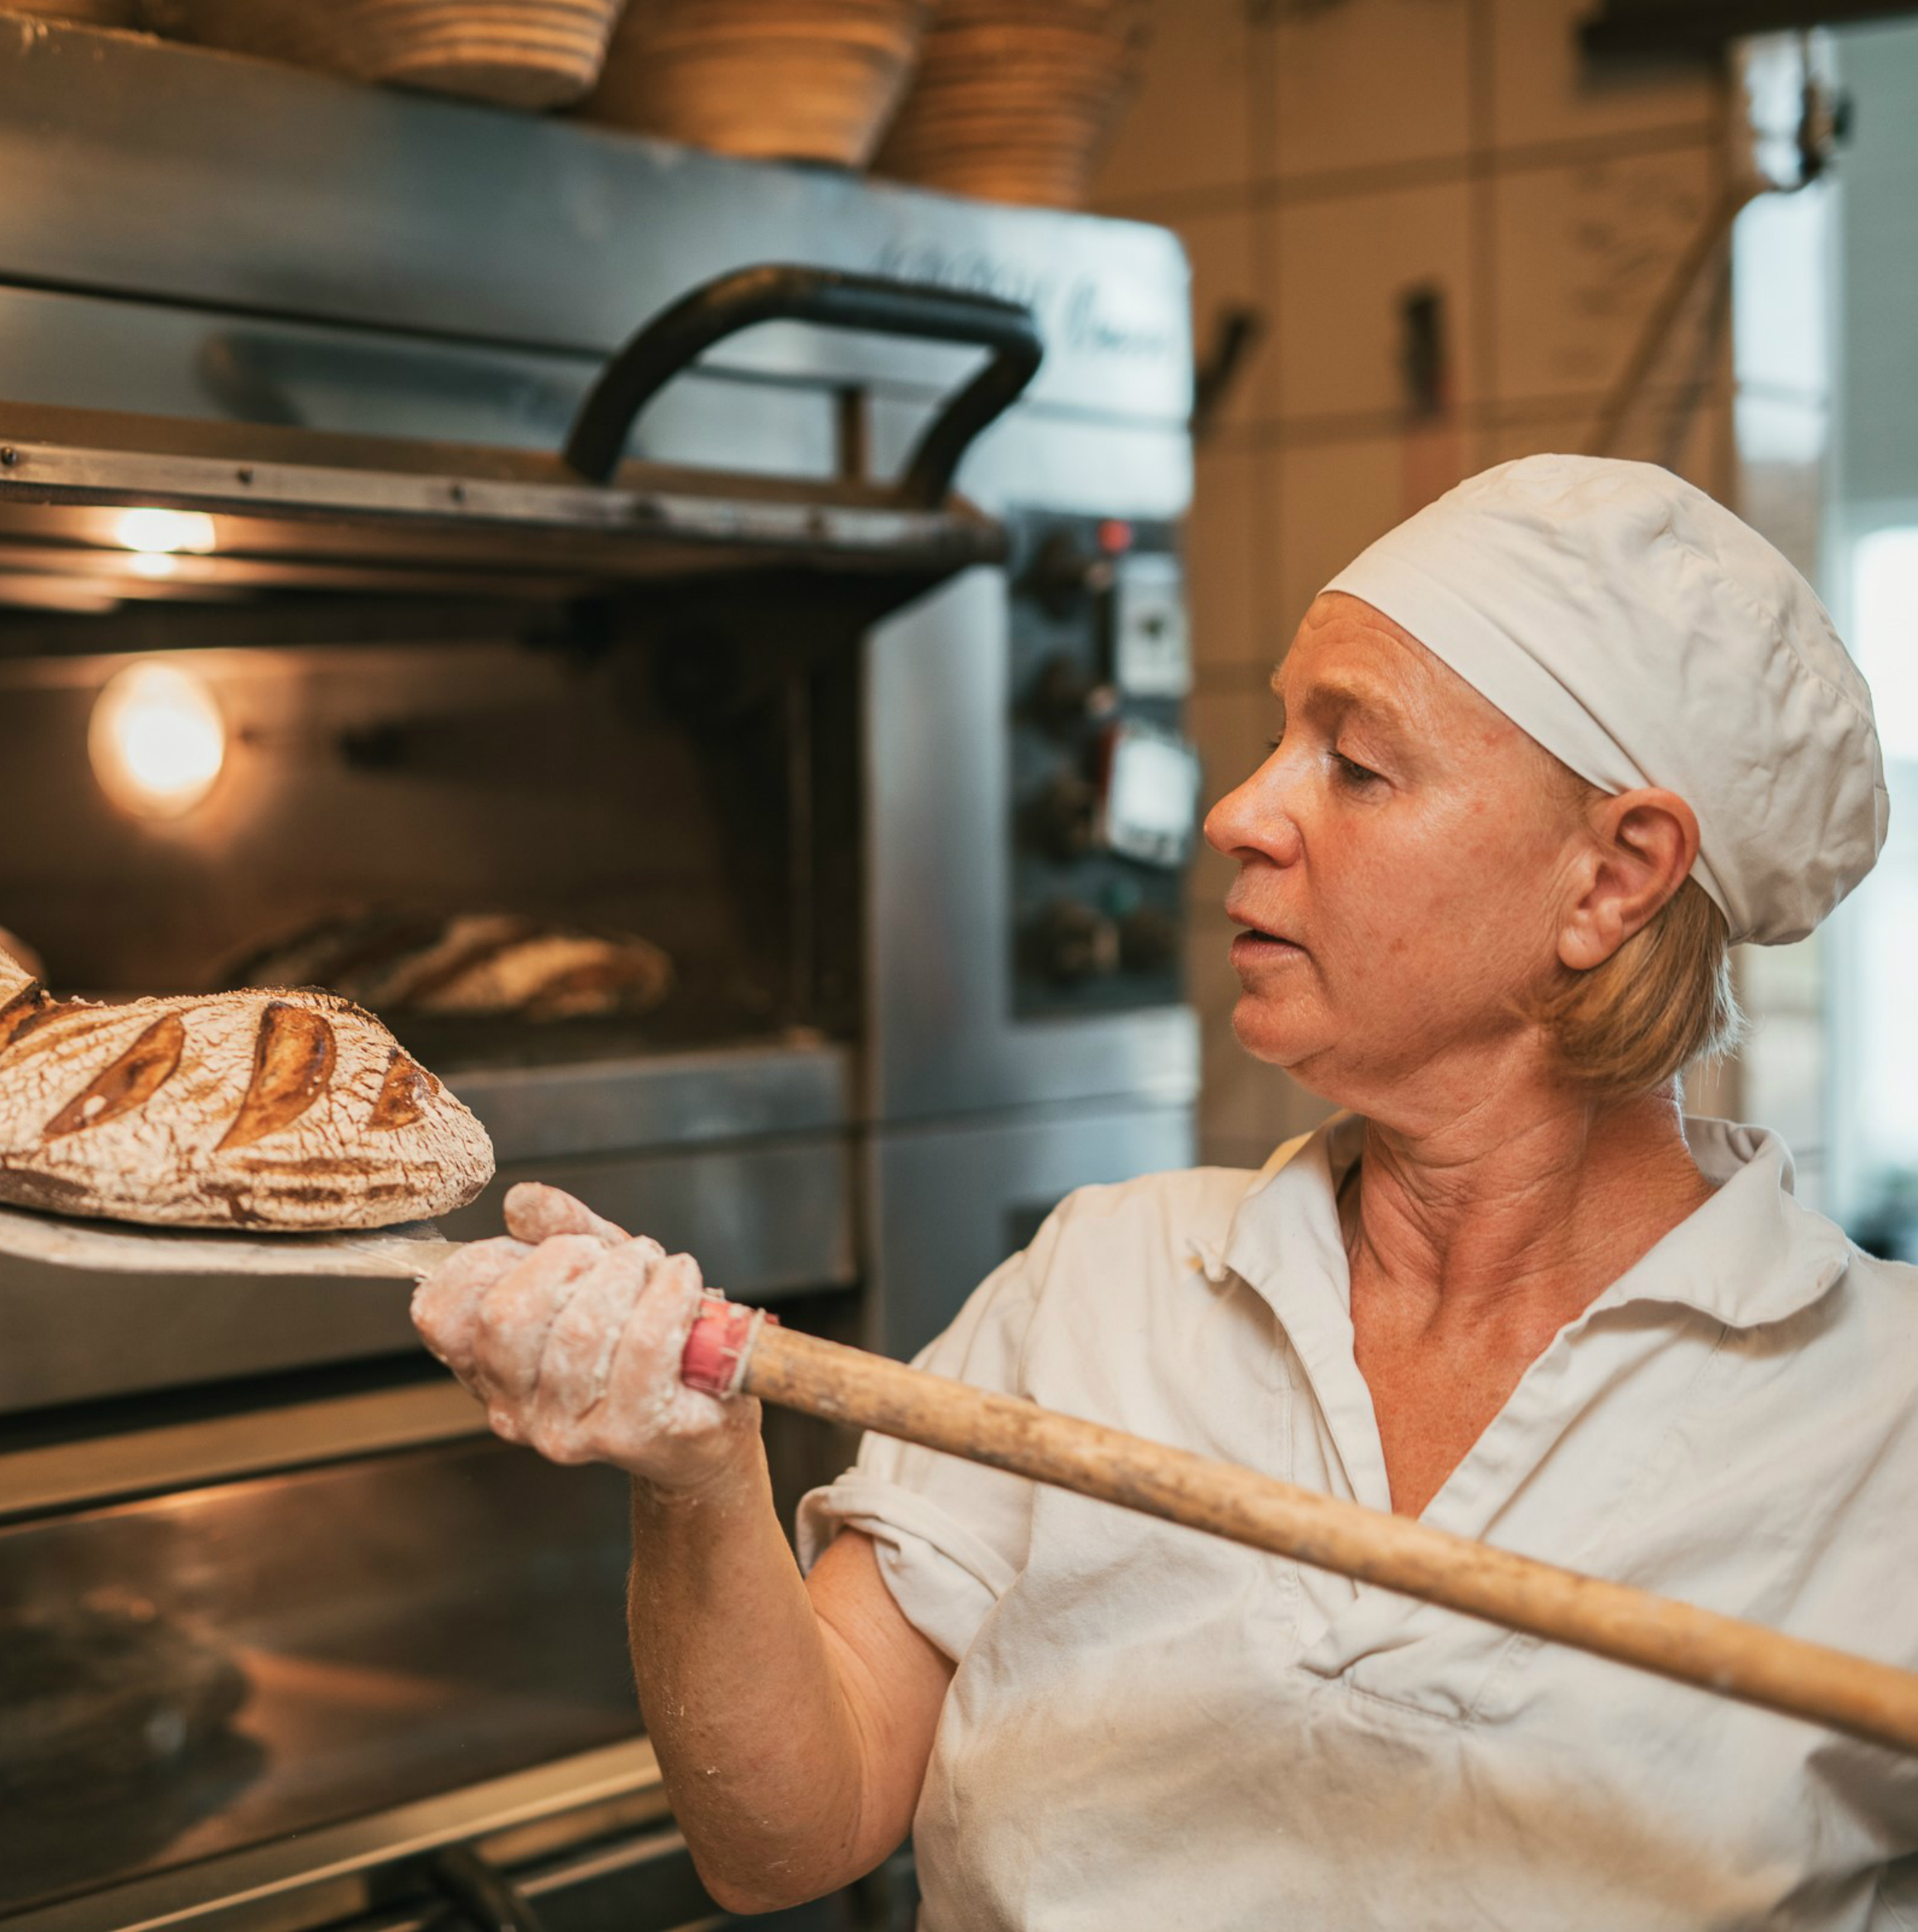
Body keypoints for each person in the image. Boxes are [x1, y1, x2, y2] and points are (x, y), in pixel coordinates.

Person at [413, 455, 1916, 1928]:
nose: (1239, 813)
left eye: (1356, 762)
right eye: (1280, 741)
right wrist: (697, 1475)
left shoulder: (1879, 1425)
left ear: (1609, 878)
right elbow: (786, 1834)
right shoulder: (1108, 1284)